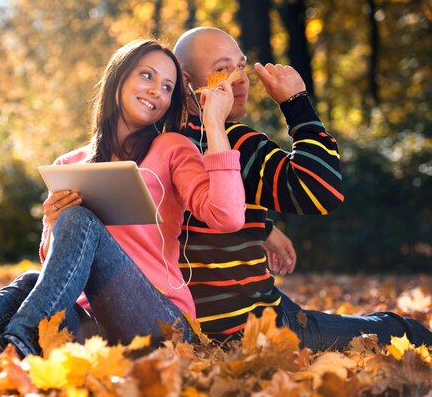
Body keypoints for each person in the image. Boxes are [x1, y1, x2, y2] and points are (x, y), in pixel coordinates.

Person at [0, 38, 247, 370]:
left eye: (167, 87)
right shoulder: (69, 165)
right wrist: (53, 225)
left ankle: (18, 343)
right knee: (28, 281)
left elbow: (227, 216)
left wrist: (214, 125)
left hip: (159, 323)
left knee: (78, 222)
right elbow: (54, 265)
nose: (156, 92)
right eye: (147, 75)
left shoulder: (172, 148)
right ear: (119, 78)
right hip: (91, 328)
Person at [173, 27, 432, 351]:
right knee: (405, 330)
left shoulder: (166, 142)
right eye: (222, 70)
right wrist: (296, 103)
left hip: (195, 322)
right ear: (186, 82)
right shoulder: (238, 145)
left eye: (241, 65)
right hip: (249, 326)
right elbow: (322, 191)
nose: (239, 78)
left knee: (293, 305)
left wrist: (263, 228)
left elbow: (198, 210)